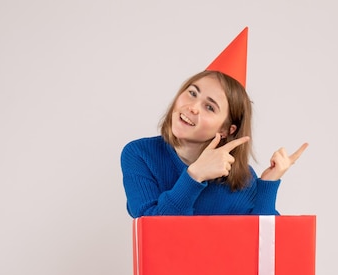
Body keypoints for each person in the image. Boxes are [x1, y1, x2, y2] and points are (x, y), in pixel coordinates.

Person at [120, 28, 308, 218]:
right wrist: (194, 176)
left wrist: (267, 185)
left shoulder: (241, 177)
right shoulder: (140, 154)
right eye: (192, 93)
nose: (192, 107)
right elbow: (151, 229)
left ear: (227, 129)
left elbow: (264, 243)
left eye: (209, 107)